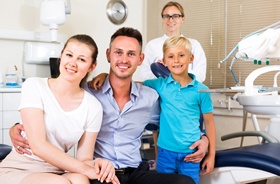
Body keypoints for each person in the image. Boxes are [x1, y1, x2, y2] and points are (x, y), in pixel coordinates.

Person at [10, 27, 208, 184]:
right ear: (108, 55)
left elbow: (178, 117)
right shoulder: (89, 93)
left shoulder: (150, 97)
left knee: (184, 181)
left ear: (140, 59)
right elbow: (52, 113)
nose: (123, 59)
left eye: (131, 54)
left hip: (135, 172)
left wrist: (204, 137)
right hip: (100, 173)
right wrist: (16, 127)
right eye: (118, 52)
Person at [0, 34, 119, 184]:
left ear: (91, 66)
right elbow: (38, 146)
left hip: (56, 170)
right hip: (19, 169)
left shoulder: (93, 107)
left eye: (81, 59)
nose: (72, 63)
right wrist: (87, 170)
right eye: (69, 55)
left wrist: (98, 164)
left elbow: (84, 159)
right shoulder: (34, 86)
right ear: (61, 56)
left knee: (80, 179)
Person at [143, 36, 216, 184]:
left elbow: (209, 123)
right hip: (165, 154)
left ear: (191, 58)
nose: (176, 60)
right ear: (164, 61)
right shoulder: (160, 85)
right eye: (171, 56)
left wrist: (211, 155)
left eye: (181, 55)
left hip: (191, 154)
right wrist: (105, 76)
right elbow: (131, 85)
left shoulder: (202, 91)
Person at [140, 1, 206, 83]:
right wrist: (161, 70)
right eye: (166, 16)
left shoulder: (194, 45)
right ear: (163, 19)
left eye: (175, 16)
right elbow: (144, 76)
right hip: (159, 94)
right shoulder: (152, 45)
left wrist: (174, 69)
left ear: (182, 19)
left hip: (186, 93)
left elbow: (200, 76)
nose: (170, 20)